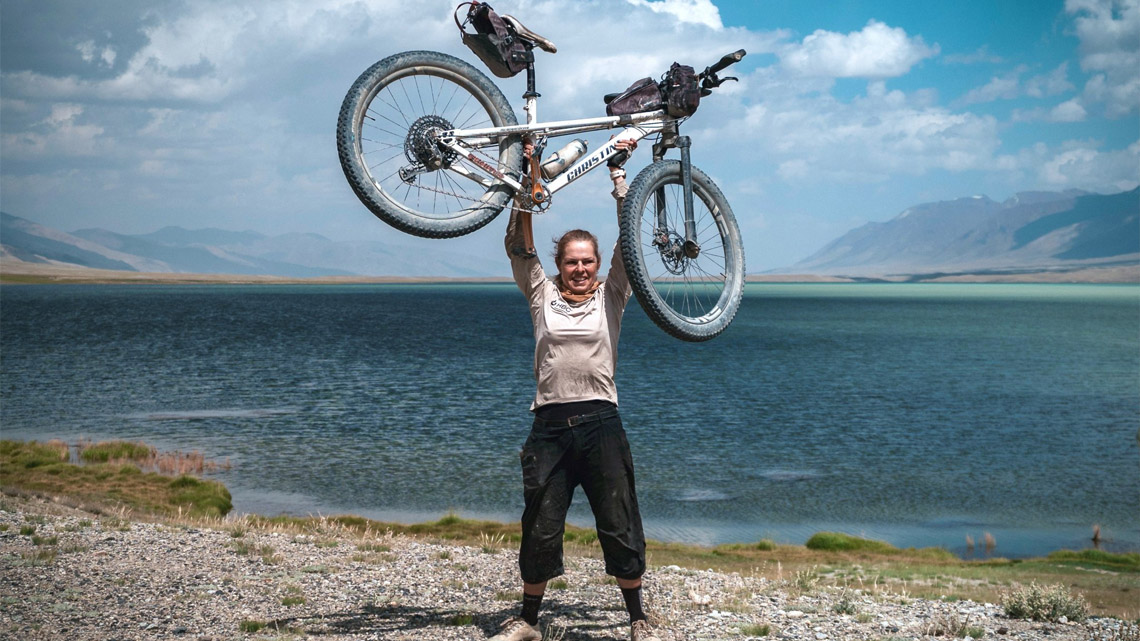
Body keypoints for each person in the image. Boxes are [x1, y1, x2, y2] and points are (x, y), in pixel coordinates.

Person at [492, 137, 660, 641]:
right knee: (541, 526)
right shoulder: (541, 294)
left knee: (618, 520)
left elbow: (630, 242)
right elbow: (519, 247)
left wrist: (619, 182)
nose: (581, 269)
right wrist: (530, 177)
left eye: (588, 261)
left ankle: (638, 619)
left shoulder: (612, 295)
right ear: (560, 264)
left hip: (602, 424)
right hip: (549, 426)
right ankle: (527, 622)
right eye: (572, 261)